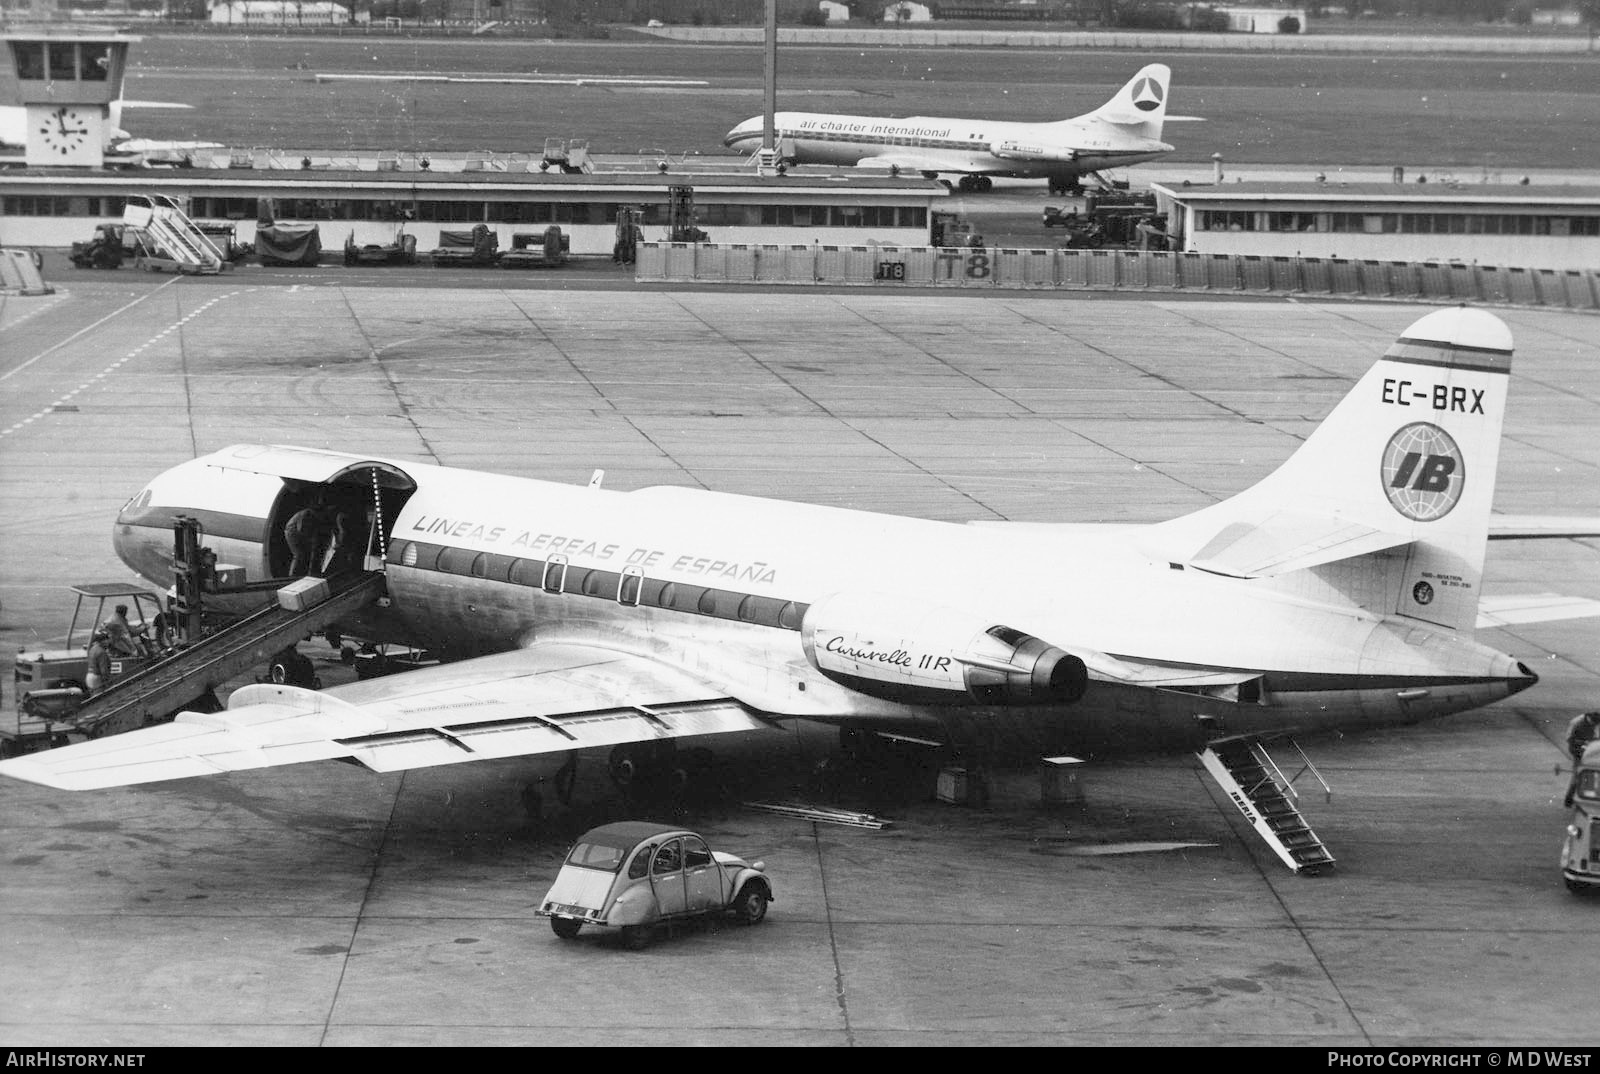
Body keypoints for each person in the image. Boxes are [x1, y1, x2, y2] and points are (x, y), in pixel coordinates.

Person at [284, 503, 333, 577]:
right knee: (299, 555)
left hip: (300, 534)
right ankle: (293, 576)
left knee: (305, 555)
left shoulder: (315, 516)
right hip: (293, 533)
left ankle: (304, 575)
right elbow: (301, 529)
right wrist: (312, 540)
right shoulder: (306, 514)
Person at [1563, 711, 1600, 807]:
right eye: (1593, 724)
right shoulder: (1576, 722)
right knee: (1578, 775)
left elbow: (1596, 735)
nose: (1594, 726)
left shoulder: (1595, 723)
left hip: (1590, 750)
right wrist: (1583, 743)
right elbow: (1569, 738)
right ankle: (1569, 799)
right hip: (1577, 750)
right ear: (1589, 719)